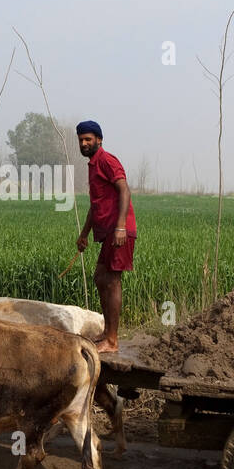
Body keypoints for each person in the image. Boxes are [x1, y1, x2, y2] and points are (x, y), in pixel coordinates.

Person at [75, 120, 135, 353]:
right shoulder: (93, 165)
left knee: (111, 280)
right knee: (101, 277)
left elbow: (124, 190)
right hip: (108, 232)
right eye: (81, 140)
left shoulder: (107, 160)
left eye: (88, 139)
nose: (84, 143)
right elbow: (94, 205)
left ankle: (112, 339)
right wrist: (84, 234)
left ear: (99, 140)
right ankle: (107, 332)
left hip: (119, 230)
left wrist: (120, 226)